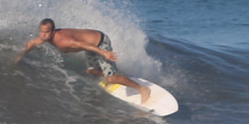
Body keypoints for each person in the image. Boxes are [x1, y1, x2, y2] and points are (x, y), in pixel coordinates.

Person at [16, 18, 151, 103]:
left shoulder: (64, 40)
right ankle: (114, 74)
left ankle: (142, 88)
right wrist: (21, 55)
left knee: (111, 79)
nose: (43, 35)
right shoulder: (44, 37)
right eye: (41, 32)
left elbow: (82, 45)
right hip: (91, 41)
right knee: (91, 71)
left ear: (53, 31)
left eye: (46, 32)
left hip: (100, 43)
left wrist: (104, 52)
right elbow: (31, 44)